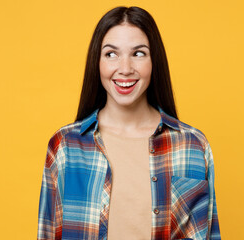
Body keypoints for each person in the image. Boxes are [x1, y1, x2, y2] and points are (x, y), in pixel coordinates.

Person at [37, 6, 220, 240]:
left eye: (139, 53)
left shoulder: (193, 146)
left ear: (155, 61)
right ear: (97, 61)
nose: (125, 69)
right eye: (111, 54)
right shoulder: (65, 146)